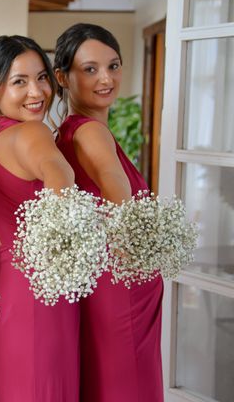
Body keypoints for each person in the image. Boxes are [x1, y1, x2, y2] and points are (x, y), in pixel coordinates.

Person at [54, 23, 163, 402]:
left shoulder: (67, 132)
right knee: (127, 386)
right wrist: (140, 240)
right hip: (120, 290)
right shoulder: (91, 132)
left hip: (101, 287)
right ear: (62, 78)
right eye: (90, 69)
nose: (106, 78)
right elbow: (115, 185)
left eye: (113, 66)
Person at [0, 35, 79, 401]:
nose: (37, 91)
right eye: (19, 81)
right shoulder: (33, 131)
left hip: (4, 290)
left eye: (41, 78)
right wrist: (59, 251)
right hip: (41, 290)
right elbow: (61, 175)